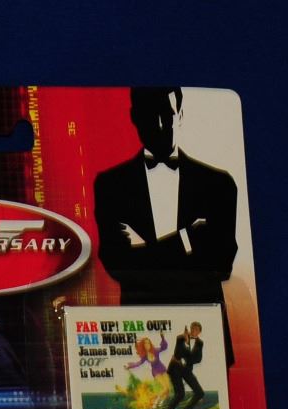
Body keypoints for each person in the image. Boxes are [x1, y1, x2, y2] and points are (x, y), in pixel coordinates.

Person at [94, 87, 239, 365]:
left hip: (204, 338)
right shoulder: (110, 186)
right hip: (141, 337)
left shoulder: (219, 185)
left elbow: (222, 264)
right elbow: (117, 264)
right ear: (135, 117)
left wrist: (145, 256)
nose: (161, 125)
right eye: (151, 116)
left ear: (180, 115)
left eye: (167, 114)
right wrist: (187, 240)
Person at [164, 321, 206, 409]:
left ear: (199, 332)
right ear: (190, 328)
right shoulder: (180, 338)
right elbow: (177, 354)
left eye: (197, 330)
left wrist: (186, 359)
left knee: (200, 392)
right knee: (180, 394)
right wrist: (186, 343)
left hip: (187, 370)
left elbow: (198, 359)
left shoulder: (200, 343)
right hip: (175, 369)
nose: (194, 331)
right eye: (193, 328)